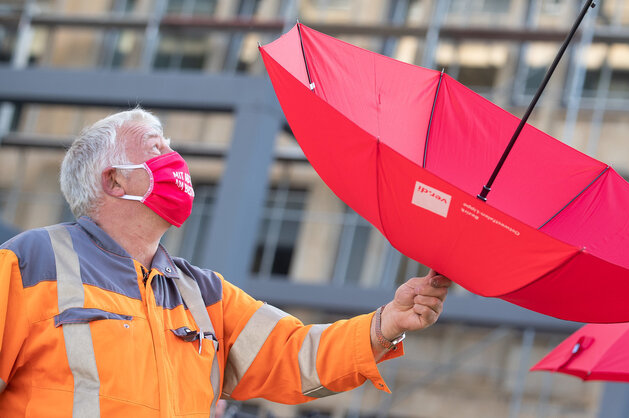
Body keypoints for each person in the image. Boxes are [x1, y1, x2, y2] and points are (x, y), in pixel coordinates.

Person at [0, 108, 451, 416]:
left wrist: (385, 325)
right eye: (156, 150)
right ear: (114, 180)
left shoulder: (204, 293)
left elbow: (295, 356)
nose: (174, 161)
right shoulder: (28, 263)